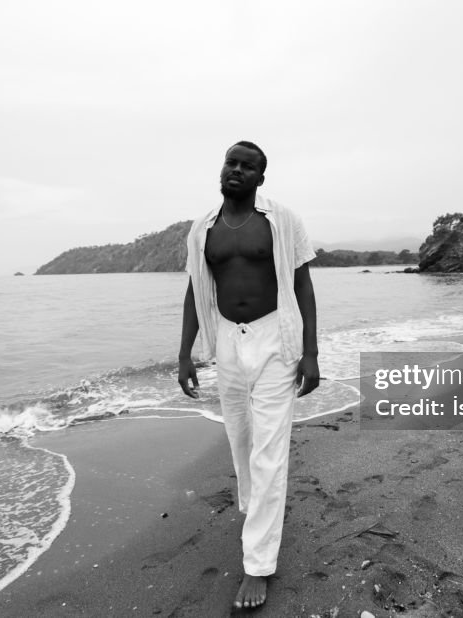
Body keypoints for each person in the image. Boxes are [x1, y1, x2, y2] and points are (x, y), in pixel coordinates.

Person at [178, 140, 320, 609]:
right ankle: (260, 510)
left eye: (247, 166)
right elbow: (194, 290)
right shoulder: (203, 230)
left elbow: (302, 284)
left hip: (275, 339)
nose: (236, 170)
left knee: (269, 451)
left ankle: (258, 565)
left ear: (261, 177)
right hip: (227, 344)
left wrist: (311, 353)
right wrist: (184, 355)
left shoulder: (281, 220)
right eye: (230, 162)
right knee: (241, 441)